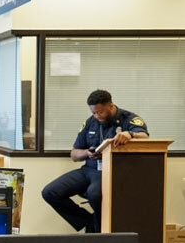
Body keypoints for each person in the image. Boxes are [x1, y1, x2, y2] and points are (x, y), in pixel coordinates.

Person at [41, 90, 148, 233]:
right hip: (89, 169)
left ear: (110, 106)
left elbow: (144, 137)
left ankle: (99, 232)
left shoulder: (128, 119)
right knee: (50, 192)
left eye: (100, 112)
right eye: (94, 113)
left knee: (95, 195)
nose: (97, 116)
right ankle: (89, 221)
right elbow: (74, 154)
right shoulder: (91, 122)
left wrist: (130, 134)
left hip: (111, 172)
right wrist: (87, 153)